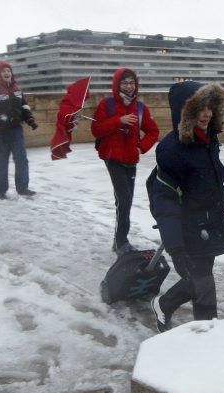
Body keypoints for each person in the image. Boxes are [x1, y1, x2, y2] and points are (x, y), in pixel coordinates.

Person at [149, 81, 224, 332]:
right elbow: (164, 201)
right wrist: (174, 247)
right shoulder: (173, 150)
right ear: (185, 112)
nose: (206, 114)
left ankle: (164, 304)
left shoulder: (208, 140)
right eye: (199, 108)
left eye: (209, 107)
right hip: (189, 227)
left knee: (199, 277)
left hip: (209, 221)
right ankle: (208, 332)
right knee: (203, 281)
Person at [91, 68, 160, 255]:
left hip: (131, 158)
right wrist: (118, 120)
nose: (129, 86)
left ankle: (118, 240)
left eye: (131, 82)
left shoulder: (140, 108)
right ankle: (121, 242)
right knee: (125, 199)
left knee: (122, 200)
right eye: (124, 83)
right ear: (117, 84)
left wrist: (141, 147)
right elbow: (96, 129)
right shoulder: (107, 105)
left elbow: (153, 131)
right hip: (112, 157)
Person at [0, 60, 38, 199]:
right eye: (3, 71)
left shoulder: (16, 88)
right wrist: (3, 117)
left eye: (8, 70)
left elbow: (24, 106)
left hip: (15, 130)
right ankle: (1, 191)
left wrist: (30, 120)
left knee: (21, 159)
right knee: (1, 160)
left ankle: (23, 188)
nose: (6, 73)